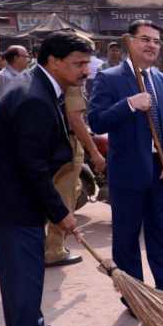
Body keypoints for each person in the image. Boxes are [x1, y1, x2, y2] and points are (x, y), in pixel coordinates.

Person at [0, 31, 90, 326]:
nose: (85, 71)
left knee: (31, 275)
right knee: (21, 279)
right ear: (53, 61)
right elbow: (32, 167)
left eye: (86, 63)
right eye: (78, 64)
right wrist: (60, 214)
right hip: (11, 202)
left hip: (21, 199)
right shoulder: (33, 98)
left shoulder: (42, 86)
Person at [89, 20, 163, 303]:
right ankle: (136, 298)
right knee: (127, 238)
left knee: (162, 235)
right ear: (129, 42)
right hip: (128, 174)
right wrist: (129, 104)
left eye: (156, 41)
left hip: (161, 174)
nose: (151, 45)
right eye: (145, 39)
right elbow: (96, 121)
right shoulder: (110, 78)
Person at [46, 41, 106, 268]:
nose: (86, 69)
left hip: (56, 144)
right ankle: (54, 249)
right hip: (68, 145)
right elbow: (75, 119)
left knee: (70, 191)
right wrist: (94, 152)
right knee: (65, 196)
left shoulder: (54, 79)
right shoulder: (71, 83)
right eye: (81, 61)